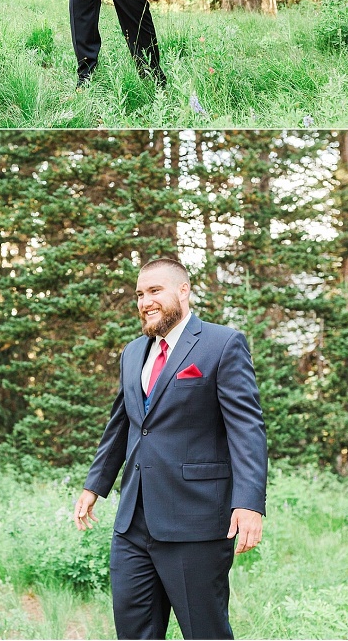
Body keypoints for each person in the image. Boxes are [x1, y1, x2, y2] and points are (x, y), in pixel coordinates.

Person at [74, 257, 267, 640]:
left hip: (195, 520)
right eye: (140, 294)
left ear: (183, 290)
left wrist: (249, 503)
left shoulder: (222, 344)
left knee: (204, 632)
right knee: (134, 632)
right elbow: (123, 424)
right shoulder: (133, 353)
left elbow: (247, 428)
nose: (145, 301)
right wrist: (94, 485)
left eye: (155, 290)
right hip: (133, 523)